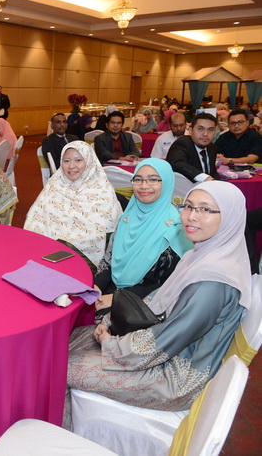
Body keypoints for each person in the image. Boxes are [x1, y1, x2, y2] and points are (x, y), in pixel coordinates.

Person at [65, 181, 249, 423]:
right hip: (163, 347)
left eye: (205, 209)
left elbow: (168, 338)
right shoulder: (201, 254)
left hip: (174, 376)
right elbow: (156, 300)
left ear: (231, 218)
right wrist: (110, 321)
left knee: (61, 368)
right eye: (188, 206)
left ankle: (62, 435)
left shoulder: (212, 282)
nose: (191, 216)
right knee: (67, 342)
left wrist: (111, 344)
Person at [94, 159, 193, 309]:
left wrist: (116, 298)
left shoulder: (177, 229)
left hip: (144, 304)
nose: (144, 186)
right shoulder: (127, 218)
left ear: (166, 183)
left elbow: (166, 284)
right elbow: (109, 262)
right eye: (138, 179)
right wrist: (97, 286)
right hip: (109, 292)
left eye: (153, 180)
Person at [24, 141, 122, 266]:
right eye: (66, 161)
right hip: (51, 252)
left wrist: (72, 243)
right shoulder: (54, 185)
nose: (71, 166)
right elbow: (34, 220)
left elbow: (108, 228)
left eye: (78, 160)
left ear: (89, 162)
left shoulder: (102, 190)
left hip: (87, 256)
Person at [166, 112, 219, 182]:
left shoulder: (211, 147)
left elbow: (212, 172)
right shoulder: (183, 143)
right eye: (200, 129)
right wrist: (204, 178)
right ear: (191, 130)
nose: (205, 134)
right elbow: (176, 163)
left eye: (210, 130)